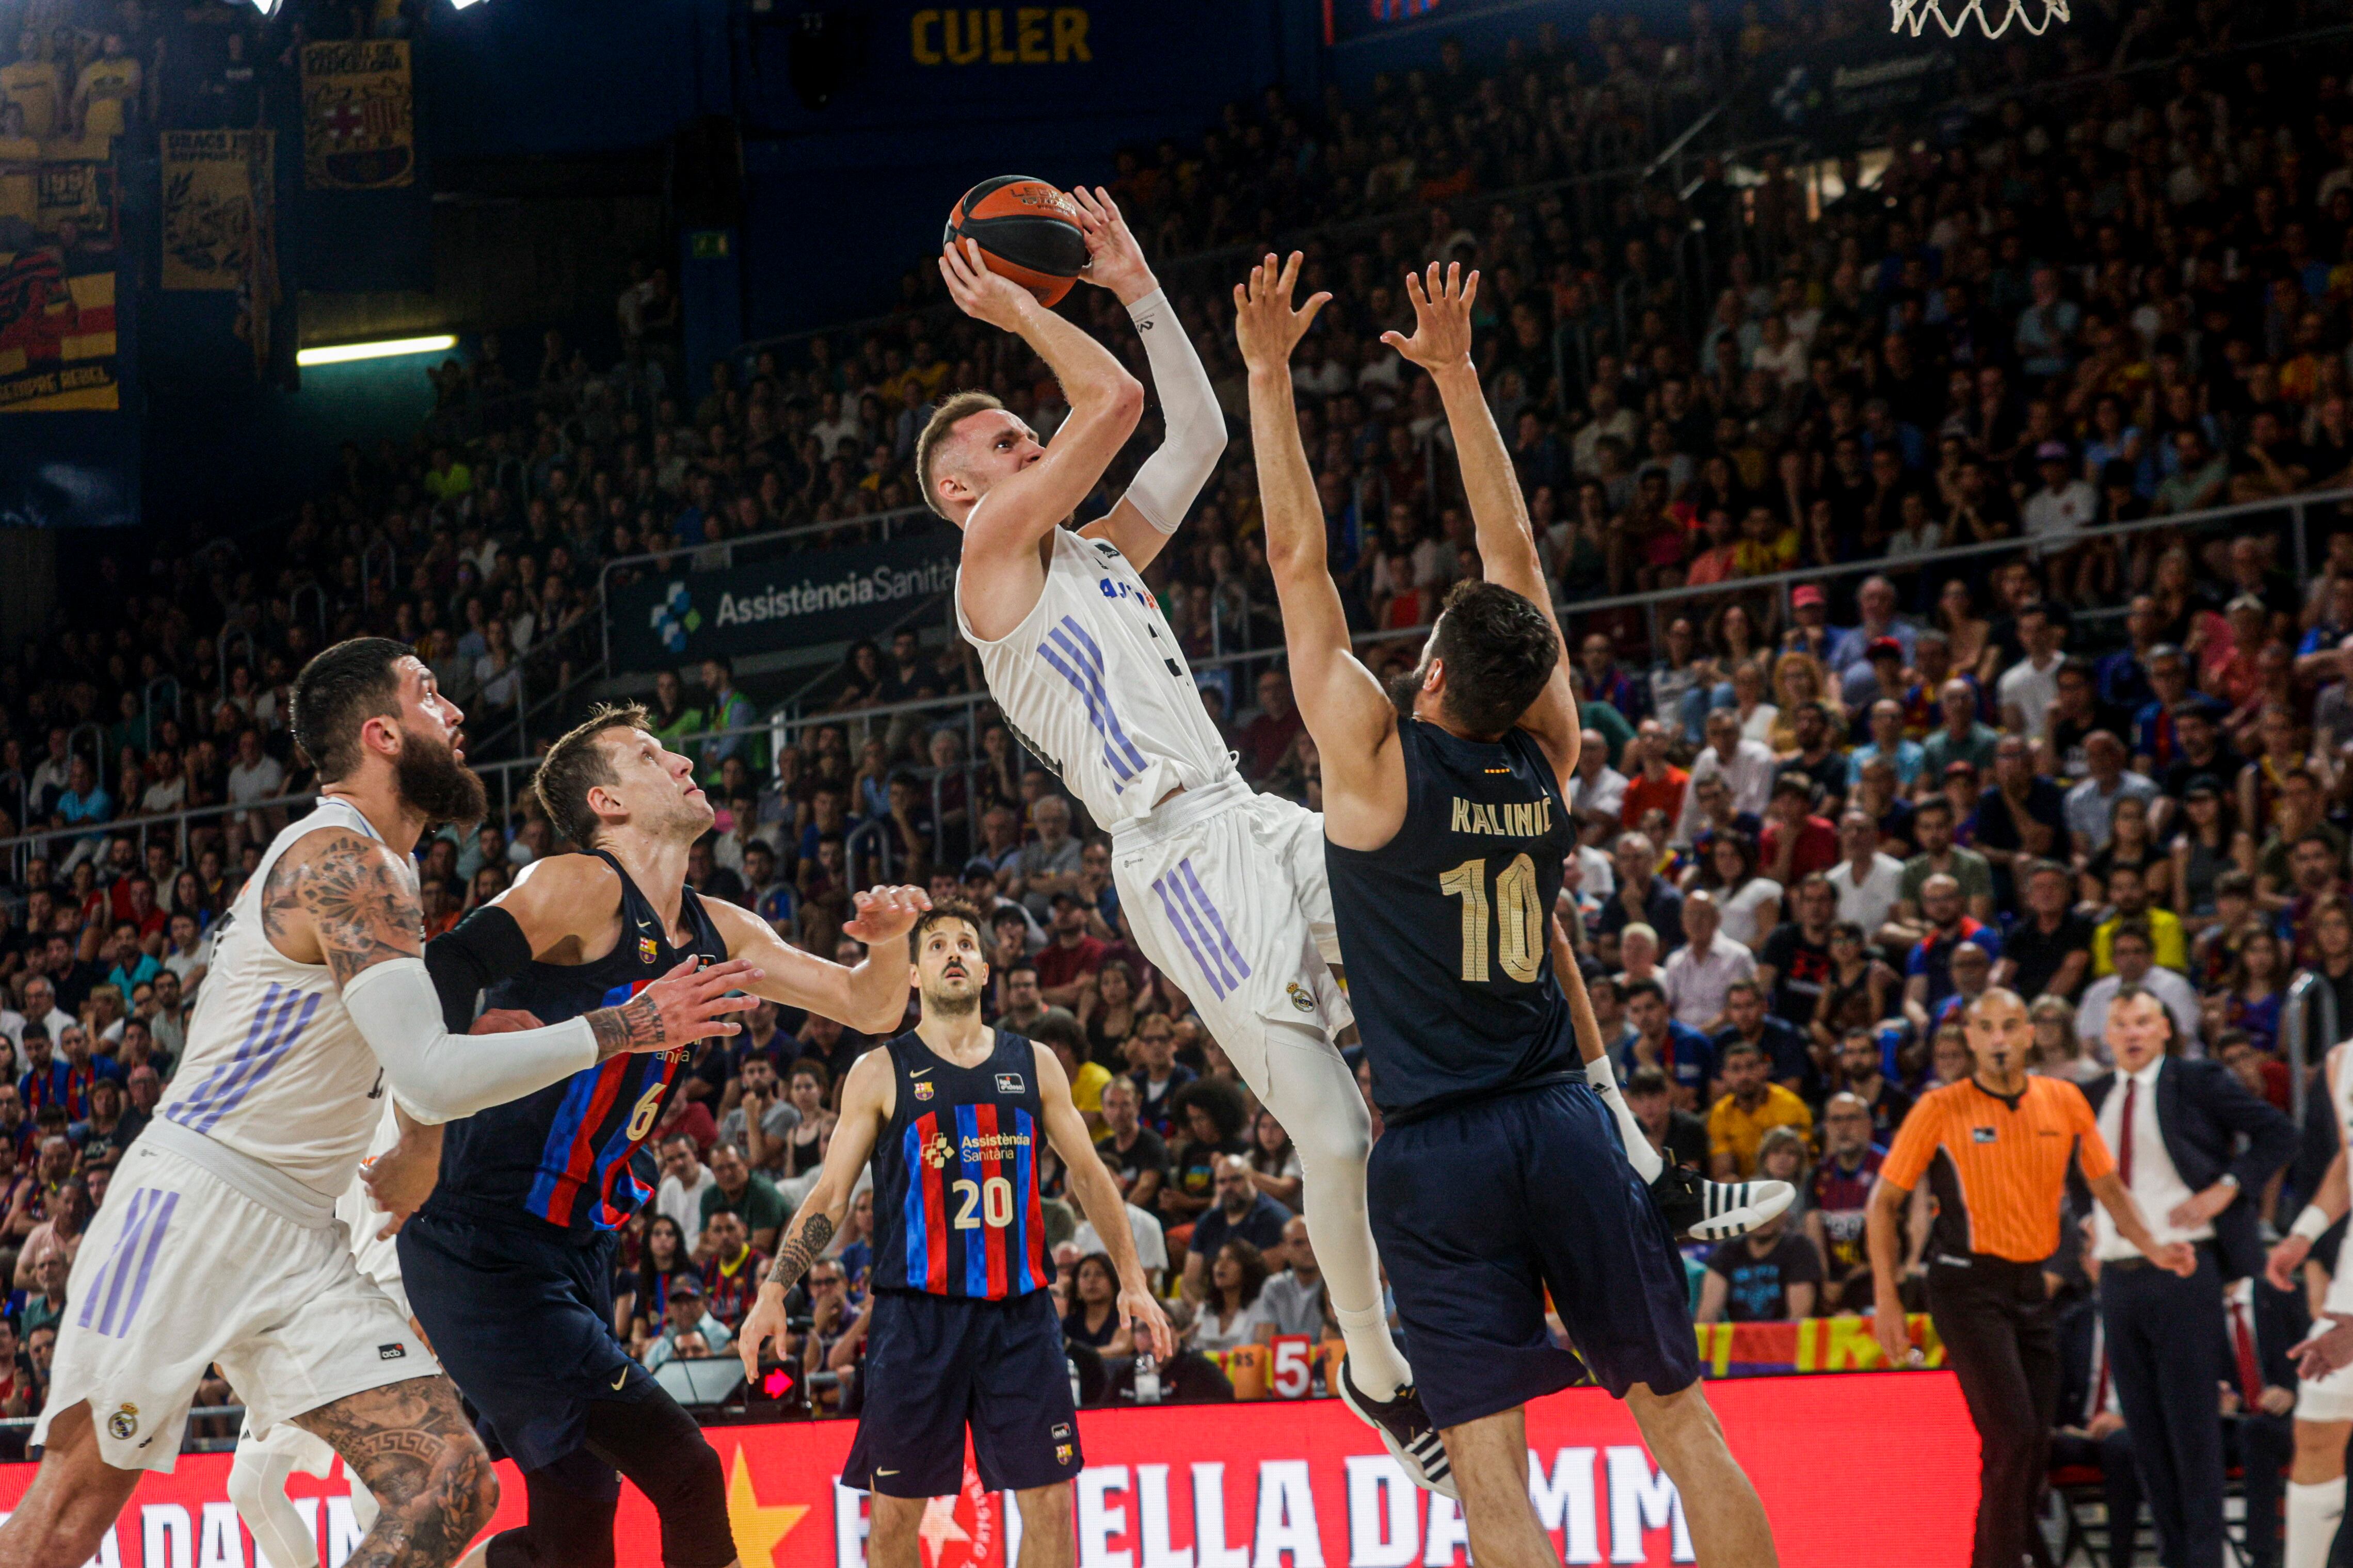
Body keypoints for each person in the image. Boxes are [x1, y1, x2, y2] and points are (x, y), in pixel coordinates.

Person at [0, 639, 759, 1568]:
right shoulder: (340, 859)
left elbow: (411, 1058)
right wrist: (627, 1022)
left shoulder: (388, 874)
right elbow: (430, 1071)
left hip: (299, 1228)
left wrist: (421, 1131)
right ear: (382, 732)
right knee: (65, 1527)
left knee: (451, 1483)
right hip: (192, 1205)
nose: (457, 713)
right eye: (430, 695)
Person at [1240, 256, 1780, 1552]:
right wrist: (1460, 377)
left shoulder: (1373, 770)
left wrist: (1266, 374)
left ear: (1425, 674)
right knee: (1681, 1423)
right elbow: (1516, 555)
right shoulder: (1550, 754)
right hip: (1560, 1122)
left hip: (1435, 1153)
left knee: (1491, 1475)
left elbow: (1295, 557)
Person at [922, 190, 1443, 1480]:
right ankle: (1376, 1376)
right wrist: (1029, 309)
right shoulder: (990, 557)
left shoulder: (1093, 552)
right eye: (1001, 436)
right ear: (958, 487)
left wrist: (1140, 284)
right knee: (1330, 1134)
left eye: (1017, 426)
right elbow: (1107, 407)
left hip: (1247, 812)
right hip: (1176, 858)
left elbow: (1191, 427)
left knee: (1441, 901)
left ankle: (1617, 1167)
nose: (1024, 433)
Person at [391, 701, 927, 1568]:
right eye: (648, 754)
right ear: (605, 800)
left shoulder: (721, 927)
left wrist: (893, 944)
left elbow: (867, 1003)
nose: (679, 760)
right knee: (685, 1469)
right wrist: (425, 1109)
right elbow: (445, 968)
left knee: (576, 1511)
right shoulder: (576, 883)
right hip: (479, 1241)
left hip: (574, 1247)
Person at [734, 901, 1174, 1566]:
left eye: (965, 944)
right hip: (916, 1320)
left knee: (1052, 1507)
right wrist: (773, 1290)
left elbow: (1088, 1174)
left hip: (1019, 1316)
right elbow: (829, 1195)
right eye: (936, 945)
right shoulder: (879, 1070)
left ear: (986, 967)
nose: (953, 954)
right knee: (892, 1520)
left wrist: (1133, 1282)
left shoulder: (1035, 1063)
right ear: (913, 974)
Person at [1869, 988, 2196, 1568]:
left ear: (2029, 1034)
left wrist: (2153, 1248)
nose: (1998, 1038)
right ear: (1968, 1038)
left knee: (2029, 1445)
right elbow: (1882, 1204)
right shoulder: (1939, 1108)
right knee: (2013, 1437)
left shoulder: (2063, 1100)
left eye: (2009, 1025)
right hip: (1964, 1286)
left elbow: (2107, 1188)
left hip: (2032, 1289)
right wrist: (1887, 1299)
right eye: (1985, 1027)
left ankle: (1998, 1556)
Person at [2081, 987, 2295, 1568]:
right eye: (2120, 1022)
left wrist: (2225, 1189)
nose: (2130, 1033)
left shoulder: (2193, 1079)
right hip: (2117, 1279)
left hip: (2184, 1272)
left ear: (2163, 1031)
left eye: (2142, 1022)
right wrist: (2084, 1221)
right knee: (2146, 1441)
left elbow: (2278, 1134)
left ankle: (2204, 1561)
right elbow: (2079, 1173)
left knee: (2191, 1436)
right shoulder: (2089, 1095)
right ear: (2105, 1033)